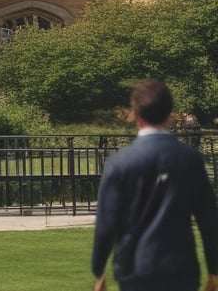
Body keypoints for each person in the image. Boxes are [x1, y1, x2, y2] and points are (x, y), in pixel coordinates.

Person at [91, 79, 218, 291]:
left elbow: (106, 224)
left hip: (134, 267)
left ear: (136, 114)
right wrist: (214, 269)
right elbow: (208, 220)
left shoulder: (119, 162)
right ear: (170, 114)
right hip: (180, 267)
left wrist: (99, 270)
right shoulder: (190, 159)